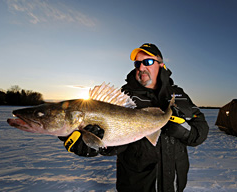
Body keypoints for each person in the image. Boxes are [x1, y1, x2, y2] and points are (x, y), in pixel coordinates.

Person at [59, 43, 209, 192]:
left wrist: (184, 130)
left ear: (161, 65)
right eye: (137, 63)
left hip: (175, 185)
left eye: (148, 62)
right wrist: (94, 143)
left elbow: (201, 130)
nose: (141, 67)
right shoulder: (124, 97)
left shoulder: (179, 95)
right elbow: (117, 145)